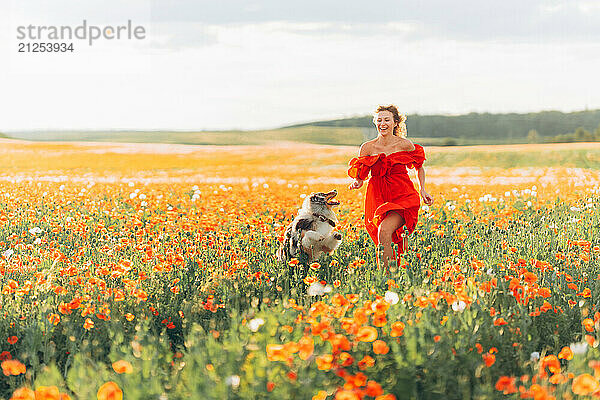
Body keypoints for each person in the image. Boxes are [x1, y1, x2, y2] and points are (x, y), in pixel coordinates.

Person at [348, 105, 433, 269]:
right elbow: (361, 173)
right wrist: (358, 182)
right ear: (375, 123)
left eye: (387, 119)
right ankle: (394, 273)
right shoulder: (367, 148)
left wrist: (422, 189)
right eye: (379, 120)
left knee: (384, 230)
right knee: (384, 236)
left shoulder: (405, 145)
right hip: (378, 197)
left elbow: (419, 166)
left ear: (395, 123)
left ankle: (387, 276)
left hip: (403, 196)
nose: (382, 123)